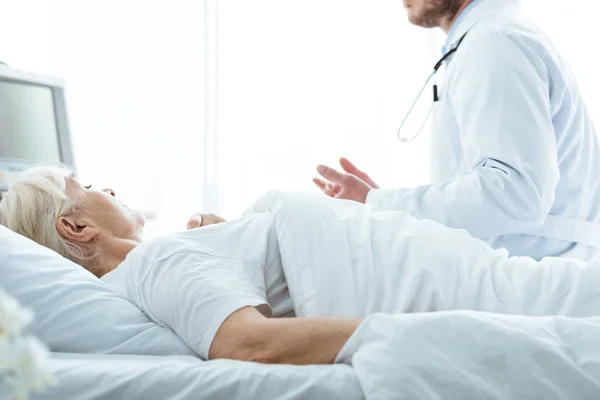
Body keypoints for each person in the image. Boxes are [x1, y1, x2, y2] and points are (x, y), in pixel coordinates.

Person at [2, 167, 600, 366]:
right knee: (569, 295)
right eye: (90, 185)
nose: (109, 187)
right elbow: (249, 342)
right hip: (450, 289)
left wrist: (230, 239)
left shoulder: (167, 259)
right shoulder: (159, 262)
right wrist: (435, 334)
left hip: (444, 268)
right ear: (76, 226)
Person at [314, 0, 600, 262]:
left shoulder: (494, 43)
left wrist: (377, 204)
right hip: (536, 278)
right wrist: (387, 208)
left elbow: (517, 194)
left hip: (534, 286)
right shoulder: (491, 38)